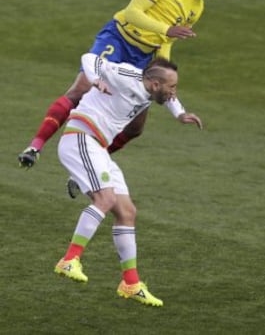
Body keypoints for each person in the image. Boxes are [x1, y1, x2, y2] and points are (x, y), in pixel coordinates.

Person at [18, 0, 237, 168]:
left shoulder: (197, 8)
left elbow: (165, 43)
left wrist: (165, 77)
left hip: (144, 55)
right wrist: (167, 29)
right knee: (81, 89)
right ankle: (34, 147)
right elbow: (133, 12)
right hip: (119, 39)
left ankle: (96, 161)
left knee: (136, 127)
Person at [55, 53, 193, 307]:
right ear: (154, 85)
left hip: (98, 146)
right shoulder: (127, 75)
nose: (174, 92)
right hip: (80, 137)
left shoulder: (152, 90)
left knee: (127, 211)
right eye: (172, 87)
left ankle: (130, 283)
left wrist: (180, 114)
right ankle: (69, 260)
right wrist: (96, 80)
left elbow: (169, 99)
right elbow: (89, 57)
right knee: (105, 199)